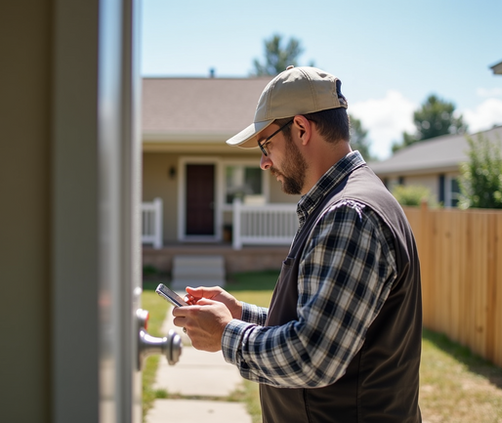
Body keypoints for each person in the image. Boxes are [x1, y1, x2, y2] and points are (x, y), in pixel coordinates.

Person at [172, 66, 422, 422]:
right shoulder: (341, 204)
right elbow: (323, 321)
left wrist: (226, 333)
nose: (263, 162)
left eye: (266, 144)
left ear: (302, 129)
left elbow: (312, 355)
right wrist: (242, 314)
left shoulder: (350, 214)